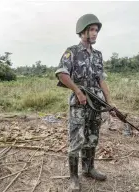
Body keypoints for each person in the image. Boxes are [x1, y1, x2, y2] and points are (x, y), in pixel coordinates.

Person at [55, 14, 116, 191]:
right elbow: (62, 74)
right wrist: (77, 91)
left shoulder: (98, 55)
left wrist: (108, 102)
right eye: (92, 30)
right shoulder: (72, 51)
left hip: (96, 103)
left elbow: (101, 80)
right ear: (82, 32)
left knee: (92, 137)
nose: (95, 33)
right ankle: (73, 177)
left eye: (96, 30)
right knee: (76, 138)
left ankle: (89, 169)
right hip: (79, 103)